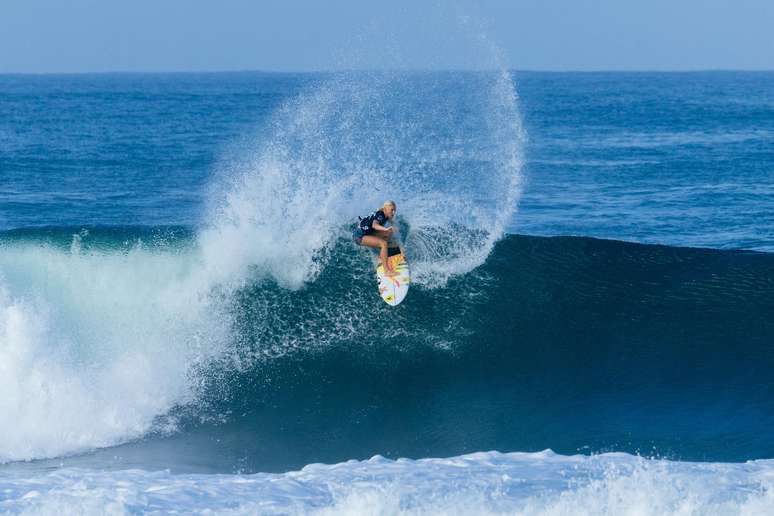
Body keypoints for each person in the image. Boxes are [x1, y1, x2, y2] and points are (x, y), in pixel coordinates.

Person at [353, 200, 399, 274]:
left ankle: (382, 251)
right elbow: (375, 225)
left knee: (389, 232)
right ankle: (387, 271)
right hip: (359, 236)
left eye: (394, 210)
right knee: (383, 243)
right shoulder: (380, 215)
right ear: (385, 208)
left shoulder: (385, 214)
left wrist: (393, 225)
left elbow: (389, 221)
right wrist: (386, 228)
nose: (393, 213)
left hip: (368, 232)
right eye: (392, 210)